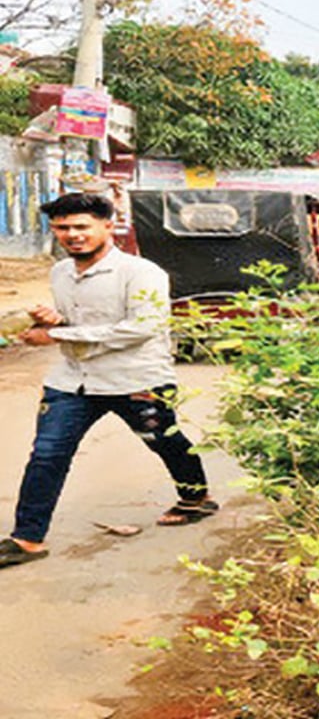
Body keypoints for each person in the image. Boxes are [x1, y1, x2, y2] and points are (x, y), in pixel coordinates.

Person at [0, 193, 216, 569]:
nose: (73, 235)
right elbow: (77, 324)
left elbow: (142, 328)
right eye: (63, 228)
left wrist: (58, 336)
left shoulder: (142, 273)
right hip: (74, 382)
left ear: (107, 226)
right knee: (47, 454)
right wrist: (56, 321)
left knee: (164, 441)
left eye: (81, 226)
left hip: (137, 379)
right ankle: (27, 538)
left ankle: (196, 499)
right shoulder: (59, 273)